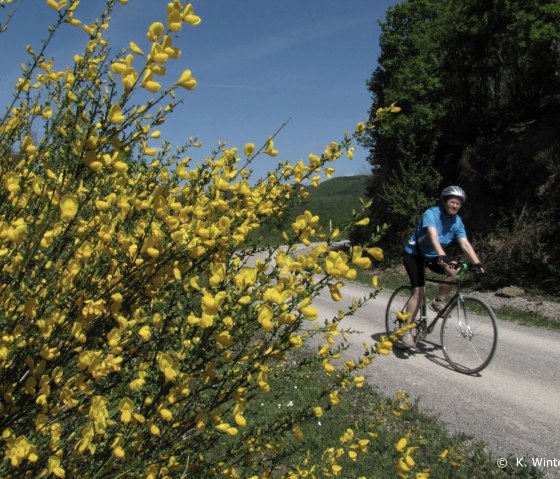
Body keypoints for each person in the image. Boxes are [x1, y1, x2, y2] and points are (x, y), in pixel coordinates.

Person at [401, 186, 484, 348]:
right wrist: (442, 255)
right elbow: (432, 237)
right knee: (419, 292)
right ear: (444, 201)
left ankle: (438, 301)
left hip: (434, 256)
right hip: (414, 254)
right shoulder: (431, 214)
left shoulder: (457, 221)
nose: (455, 206)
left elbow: (465, 244)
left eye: (458, 204)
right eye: (452, 202)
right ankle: (406, 332)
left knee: (456, 272)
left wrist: (477, 263)